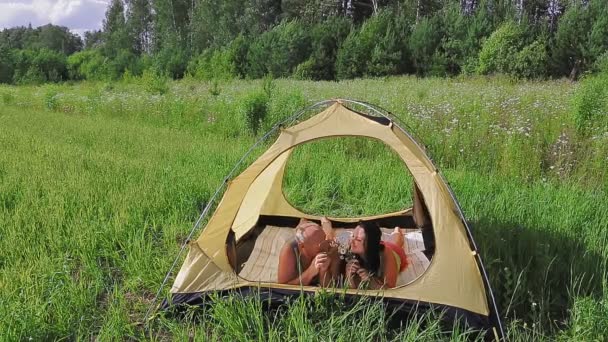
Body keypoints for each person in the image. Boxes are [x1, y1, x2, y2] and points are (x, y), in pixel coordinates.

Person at [344, 221, 408, 289]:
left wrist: (371, 281)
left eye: (358, 240)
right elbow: (349, 291)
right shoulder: (349, 250)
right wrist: (348, 275)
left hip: (393, 251)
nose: (351, 241)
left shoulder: (386, 254)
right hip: (375, 247)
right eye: (352, 236)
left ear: (369, 245)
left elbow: (389, 289)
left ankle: (397, 230)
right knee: (391, 241)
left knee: (396, 241)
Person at [277, 220, 340, 286]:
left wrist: (323, 271)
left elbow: (331, 287)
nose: (324, 247)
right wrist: (310, 272)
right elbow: (283, 288)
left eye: (325, 241)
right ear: (302, 246)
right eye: (320, 245)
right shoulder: (290, 250)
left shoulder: (329, 247)